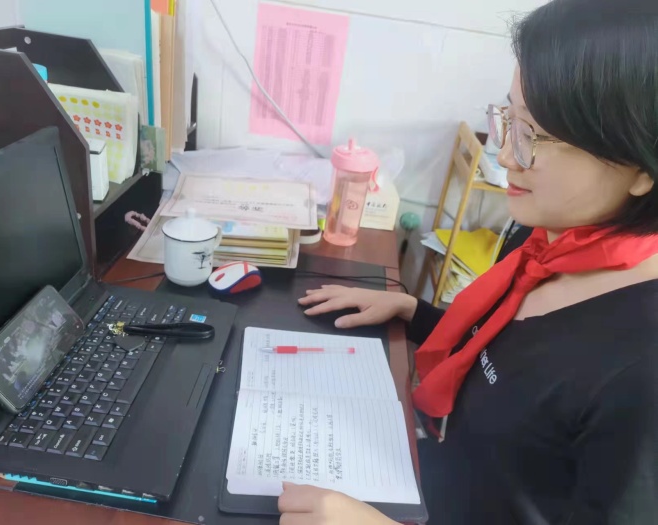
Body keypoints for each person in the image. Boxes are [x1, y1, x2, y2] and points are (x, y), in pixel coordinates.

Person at [278, 0, 658, 523]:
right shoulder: (545, 237)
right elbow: (509, 359)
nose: (505, 156)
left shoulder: (640, 373)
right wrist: (413, 312)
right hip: (424, 481)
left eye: (535, 136)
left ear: (641, 167)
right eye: (510, 120)